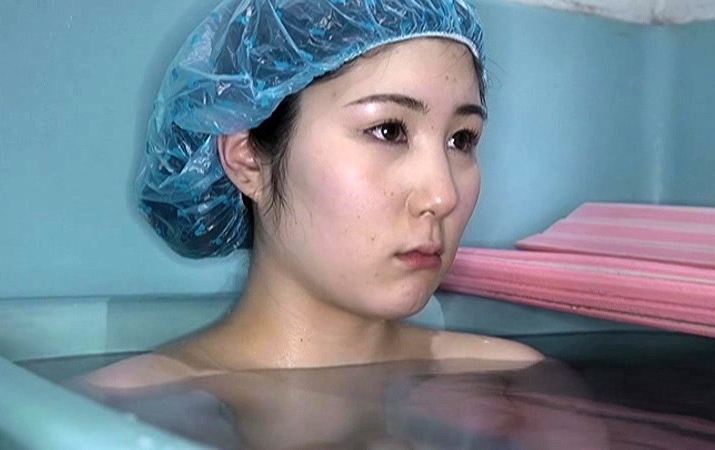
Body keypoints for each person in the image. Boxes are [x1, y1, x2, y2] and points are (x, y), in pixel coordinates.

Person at [87, 0, 542, 389]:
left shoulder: (511, 386)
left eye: (462, 139)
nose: (442, 195)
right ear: (248, 161)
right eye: (388, 130)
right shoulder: (118, 415)